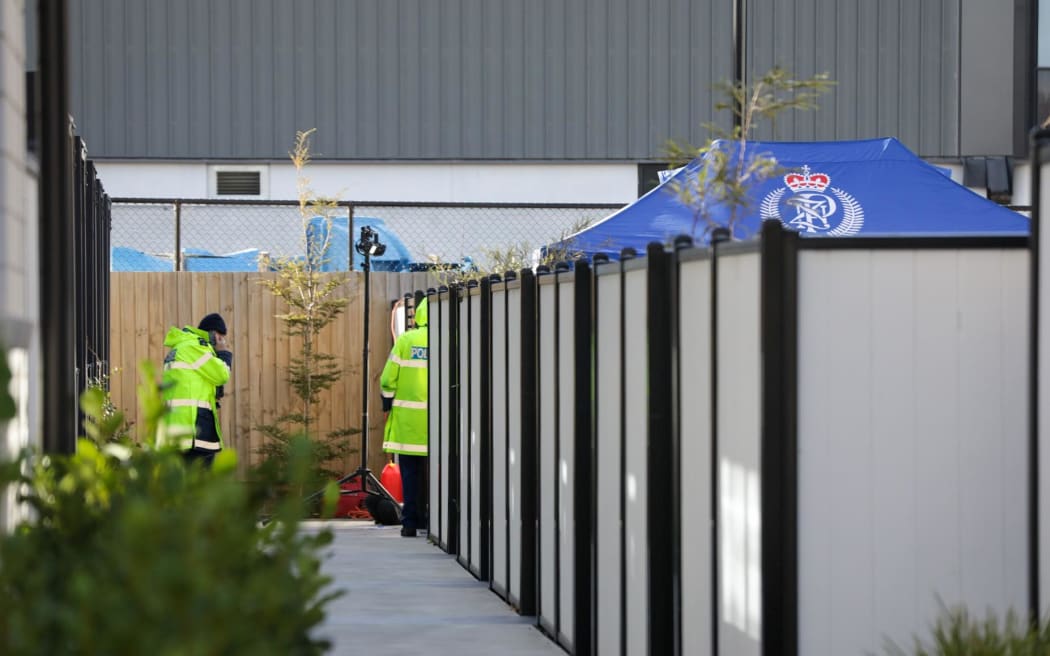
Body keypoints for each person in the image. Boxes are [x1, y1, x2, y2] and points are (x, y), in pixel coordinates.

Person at [380, 297, 428, 537]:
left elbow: (389, 378)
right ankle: (435, 521)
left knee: (410, 474)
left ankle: (410, 523)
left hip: (409, 423)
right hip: (440, 425)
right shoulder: (452, 337)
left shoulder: (407, 340)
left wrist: (386, 399)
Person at [160, 313, 232, 467]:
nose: (223, 340)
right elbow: (222, 374)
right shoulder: (196, 347)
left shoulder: (181, 347)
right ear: (214, 334)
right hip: (194, 429)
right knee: (200, 485)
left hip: (176, 429)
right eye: (221, 336)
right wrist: (224, 353)